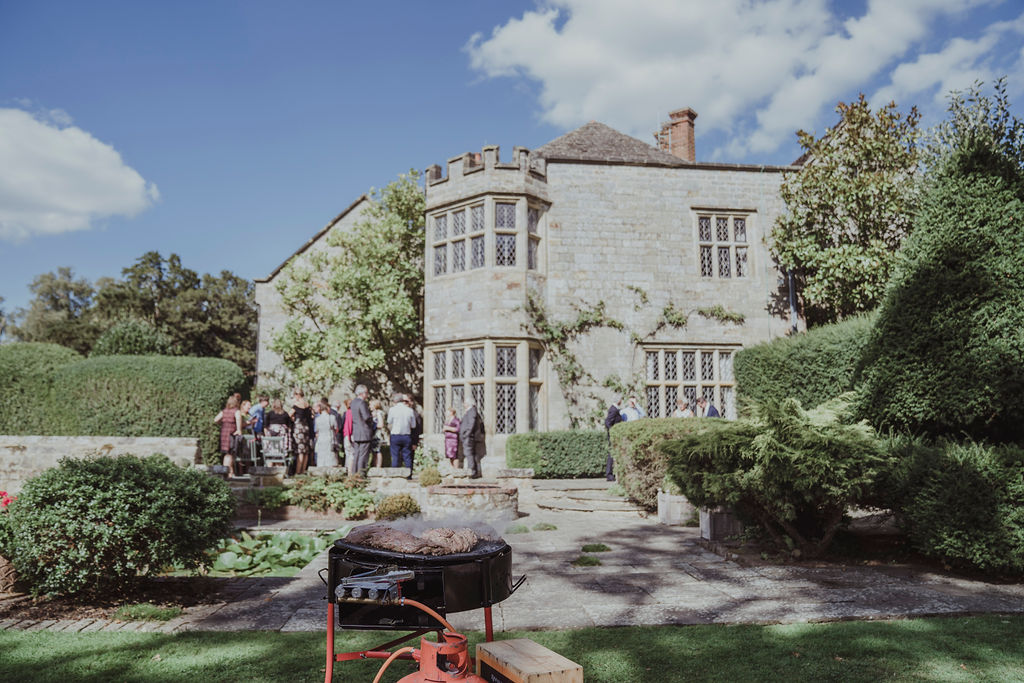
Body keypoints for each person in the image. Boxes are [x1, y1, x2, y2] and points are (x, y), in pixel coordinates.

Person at [213, 396, 244, 476]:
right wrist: (238, 430)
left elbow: (216, 419)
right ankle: (228, 472)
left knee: (226, 453)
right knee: (230, 453)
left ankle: (227, 471)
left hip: (224, 432)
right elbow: (238, 420)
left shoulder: (224, 411)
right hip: (231, 434)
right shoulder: (236, 411)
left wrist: (223, 423)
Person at [387, 393, 416, 473]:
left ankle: (395, 475)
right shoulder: (410, 410)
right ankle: (408, 475)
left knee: (395, 456)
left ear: (395, 401)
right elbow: (413, 425)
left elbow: (389, 421)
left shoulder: (392, 409)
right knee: (407, 457)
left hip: (395, 435)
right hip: (406, 435)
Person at [350, 384, 376, 474]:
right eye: (367, 393)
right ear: (362, 393)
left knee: (357, 454)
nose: (367, 395)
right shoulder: (362, 403)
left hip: (356, 431)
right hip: (364, 432)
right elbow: (366, 417)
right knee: (363, 455)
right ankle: (361, 474)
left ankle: (354, 474)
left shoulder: (353, 402)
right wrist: (372, 417)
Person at [459, 398, 484, 478]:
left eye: (465, 403)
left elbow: (471, 424)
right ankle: (473, 471)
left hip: (469, 437)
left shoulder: (471, 411)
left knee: (469, 454)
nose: (464, 404)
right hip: (468, 437)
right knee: (470, 454)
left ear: (469, 404)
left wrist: (467, 434)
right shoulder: (470, 411)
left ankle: (472, 472)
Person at [290, 389, 313, 475]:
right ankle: (303, 470)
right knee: (306, 450)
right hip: (306, 428)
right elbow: (311, 415)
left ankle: (298, 471)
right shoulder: (307, 405)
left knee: (300, 450)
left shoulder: (296, 405)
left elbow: (289, 415)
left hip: (299, 429)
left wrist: (293, 419)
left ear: (297, 395)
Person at [313, 401, 339, 467]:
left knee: (321, 457)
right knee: (330, 457)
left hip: (321, 439)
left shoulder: (317, 419)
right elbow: (336, 428)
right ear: (327, 408)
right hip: (330, 438)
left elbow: (316, 431)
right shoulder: (332, 417)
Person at [604, 397, 623, 481]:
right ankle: (609, 474)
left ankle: (612, 473)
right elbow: (607, 422)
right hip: (613, 435)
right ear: (618, 400)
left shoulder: (615, 409)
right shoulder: (614, 409)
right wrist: (613, 431)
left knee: (612, 454)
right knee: (611, 454)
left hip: (614, 435)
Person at [370, 399, 386, 468]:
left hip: (377, 435)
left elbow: (380, 424)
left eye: (371, 405)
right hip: (374, 435)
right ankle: (375, 465)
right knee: (374, 451)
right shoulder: (374, 413)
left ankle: (378, 466)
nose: (369, 406)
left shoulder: (379, 413)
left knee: (377, 450)